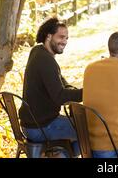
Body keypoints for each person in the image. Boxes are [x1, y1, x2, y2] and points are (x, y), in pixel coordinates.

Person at [19, 17, 82, 157]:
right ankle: (62, 155)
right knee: (89, 130)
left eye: (66, 38)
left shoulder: (37, 51)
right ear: (49, 36)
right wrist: (87, 92)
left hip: (30, 123)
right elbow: (60, 97)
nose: (64, 41)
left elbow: (56, 77)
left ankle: (59, 153)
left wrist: (68, 85)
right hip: (42, 126)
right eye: (61, 37)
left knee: (79, 126)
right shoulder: (46, 61)